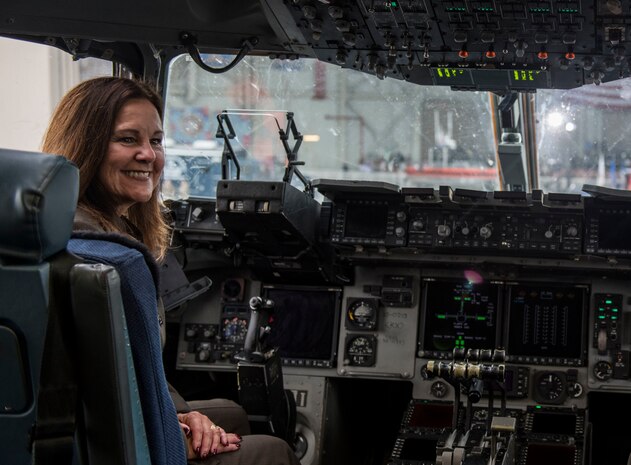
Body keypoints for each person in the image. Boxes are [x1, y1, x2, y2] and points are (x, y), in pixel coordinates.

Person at [41, 76, 301, 465]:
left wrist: (179, 418)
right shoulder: (114, 260)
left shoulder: (58, 229)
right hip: (106, 442)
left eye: (157, 141)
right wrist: (173, 436)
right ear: (85, 145)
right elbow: (106, 391)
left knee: (231, 414)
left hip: (90, 426)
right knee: (275, 451)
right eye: (128, 139)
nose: (148, 155)